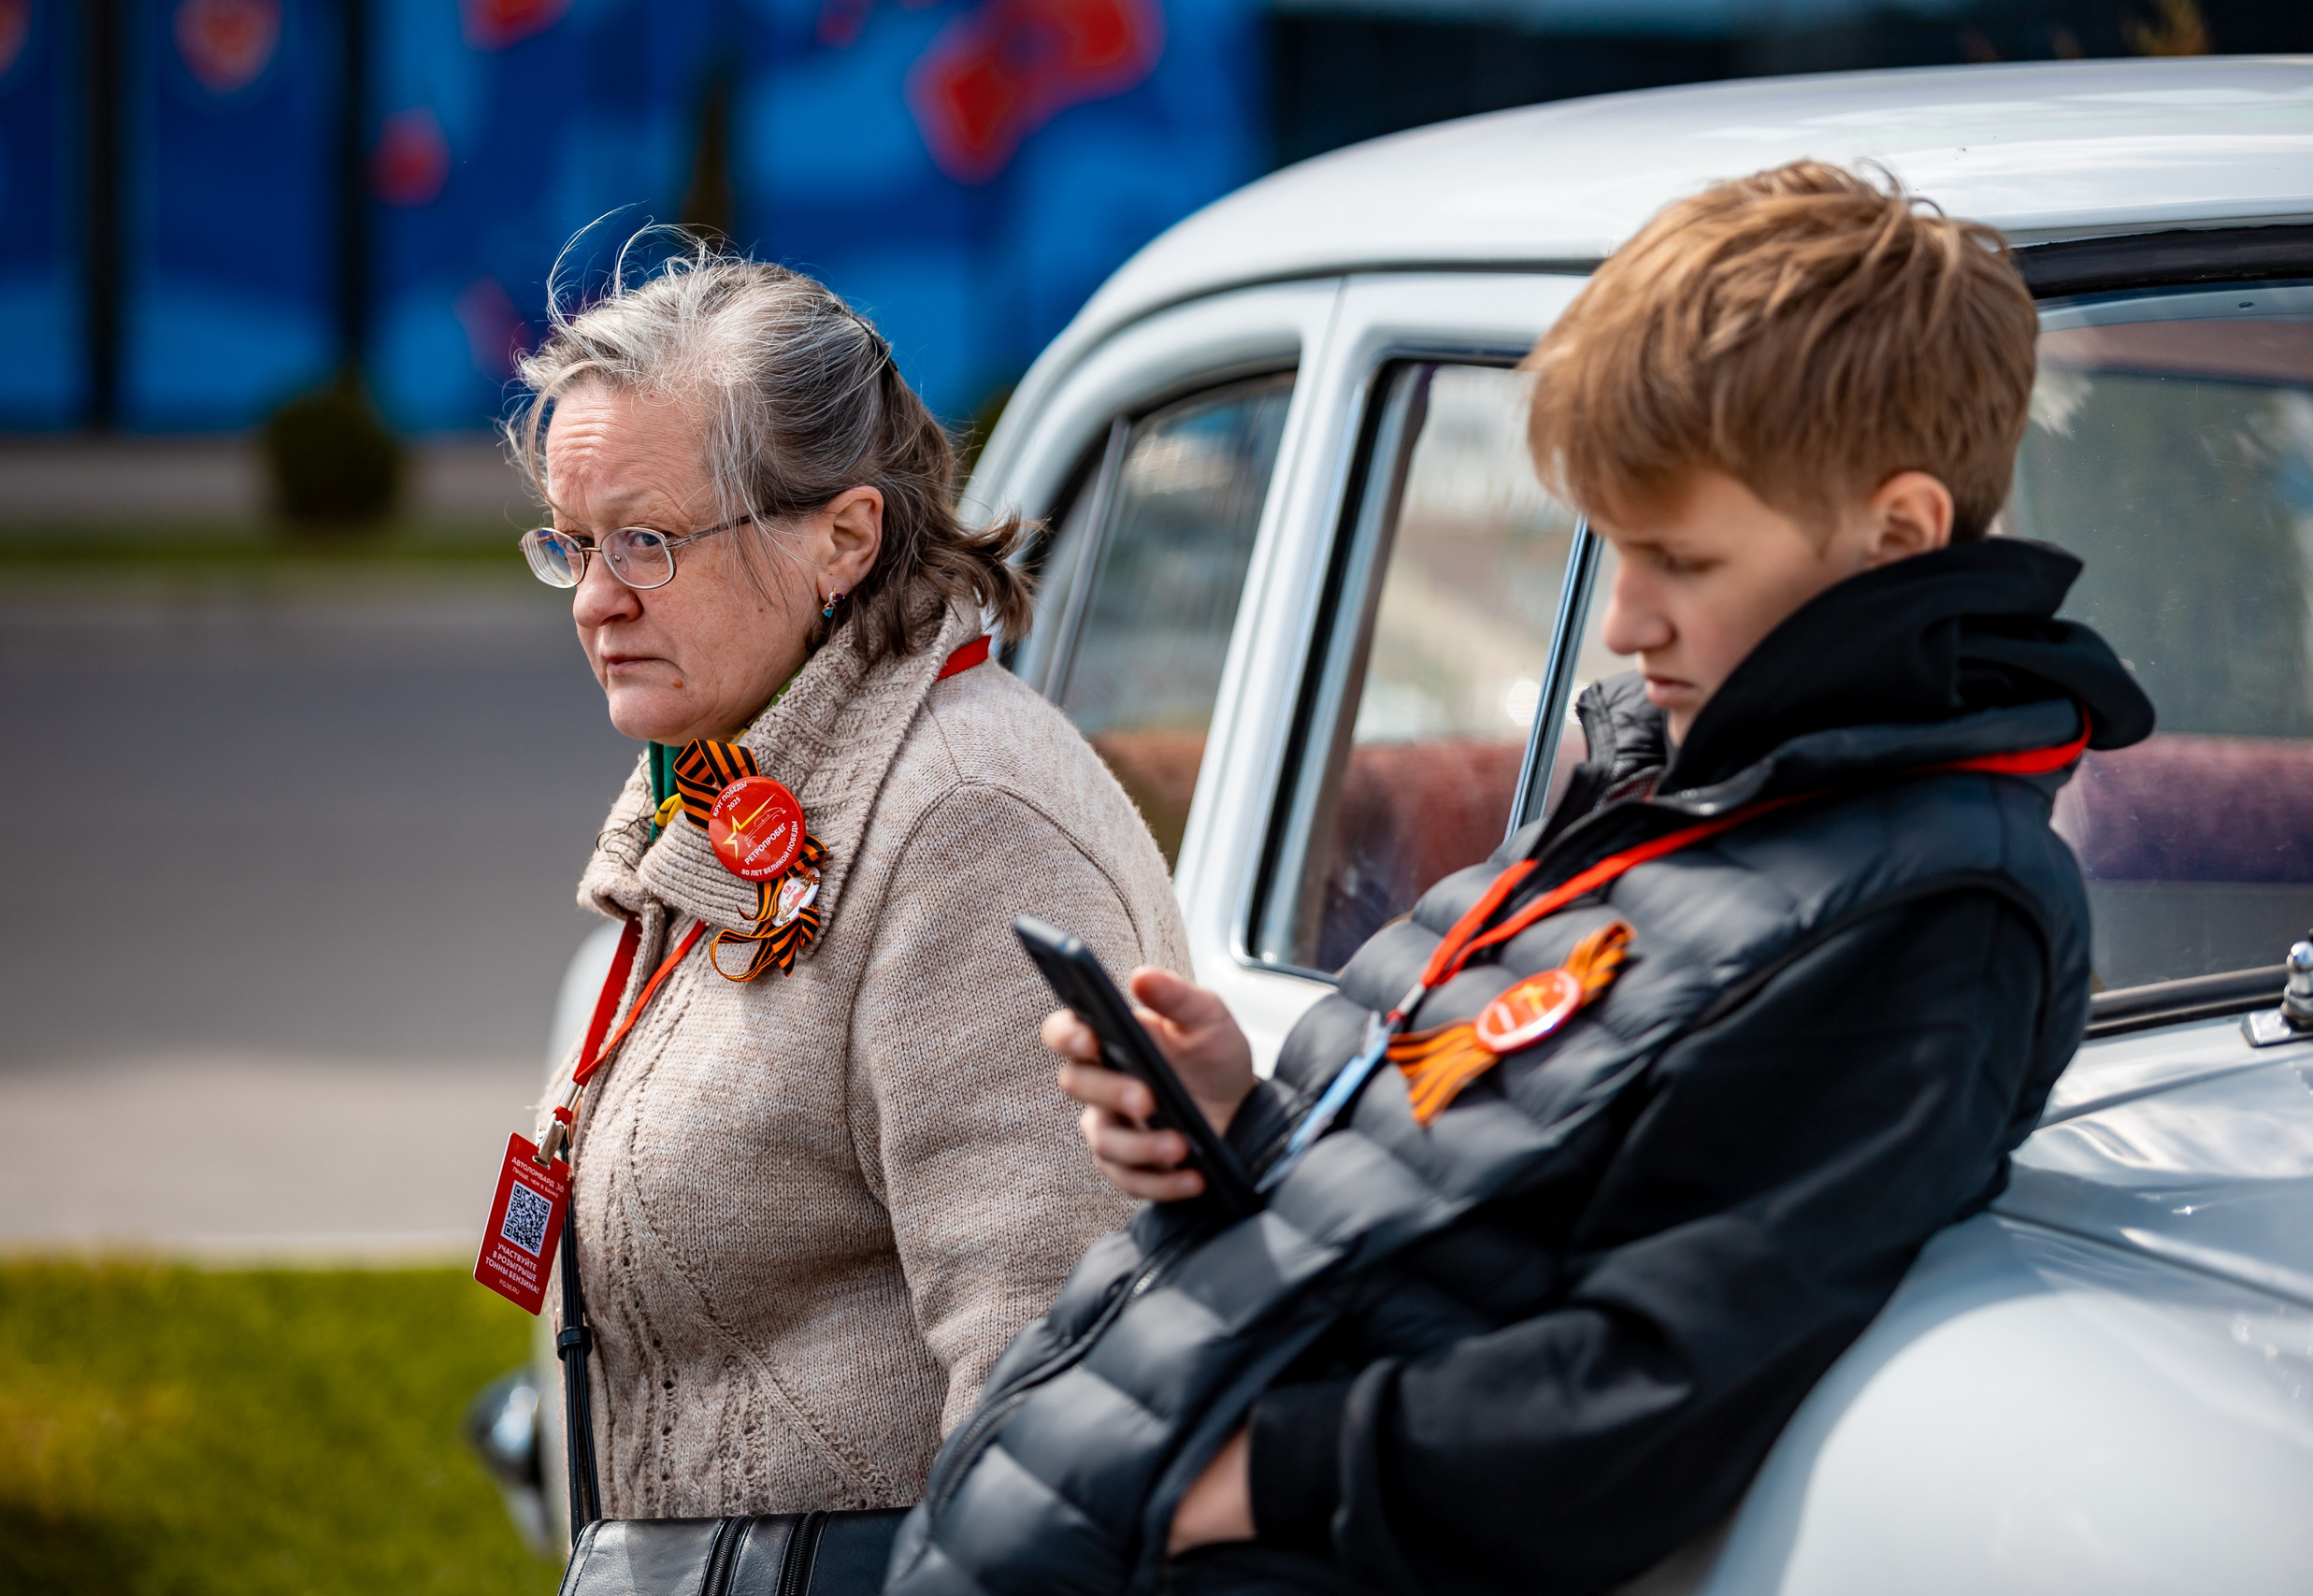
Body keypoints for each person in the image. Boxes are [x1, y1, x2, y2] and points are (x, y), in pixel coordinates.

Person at [889, 164, 2155, 1596]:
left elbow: (1652, 1378)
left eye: (1680, 557)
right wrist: (1246, 1119)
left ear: (1901, 533)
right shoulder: (1677, 791)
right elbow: (1469, 1208)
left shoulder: (1935, 915)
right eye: (1614, 547)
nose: (1624, 617)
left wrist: (1254, 1480)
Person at [511, 242, 1184, 1520]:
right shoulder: (721, 772)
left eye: (646, 541)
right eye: (573, 543)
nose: (596, 601)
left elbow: (1047, 1394)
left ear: (844, 539)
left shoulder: (968, 828)